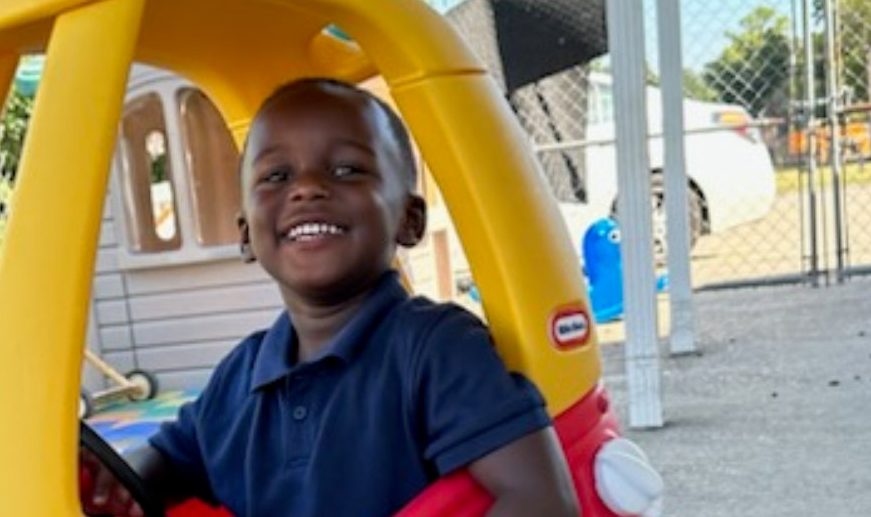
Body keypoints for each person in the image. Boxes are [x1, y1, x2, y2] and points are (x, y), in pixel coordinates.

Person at [79, 78, 578, 517]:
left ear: (409, 220)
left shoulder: (434, 349)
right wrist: (111, 482)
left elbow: (543, 501)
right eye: (277, 176)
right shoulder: (240, 376)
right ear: (246, 235)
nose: (308, 188)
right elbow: (165, 463)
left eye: (347, 170)